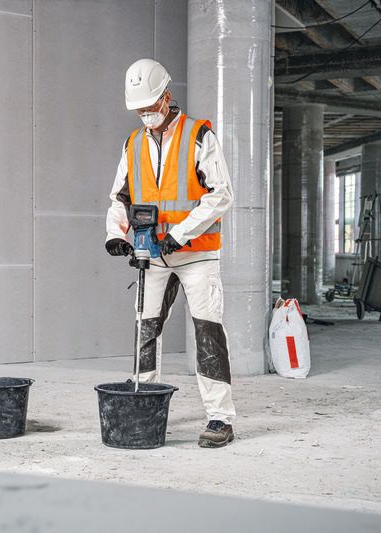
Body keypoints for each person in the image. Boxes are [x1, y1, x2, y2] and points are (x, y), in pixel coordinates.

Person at [105, 58, 236, 448]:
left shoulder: (199, 136)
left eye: (150, 106)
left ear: (166, 97)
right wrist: (117, 233)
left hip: (196, 255)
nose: (145, 115)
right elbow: (120, 196)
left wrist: (179, 235)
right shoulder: (132, 144)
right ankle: (143, 397)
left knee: (208, 332)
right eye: (139, 109)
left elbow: (221, 195)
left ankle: (219, 417)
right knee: (146, 327)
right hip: (153, 255)